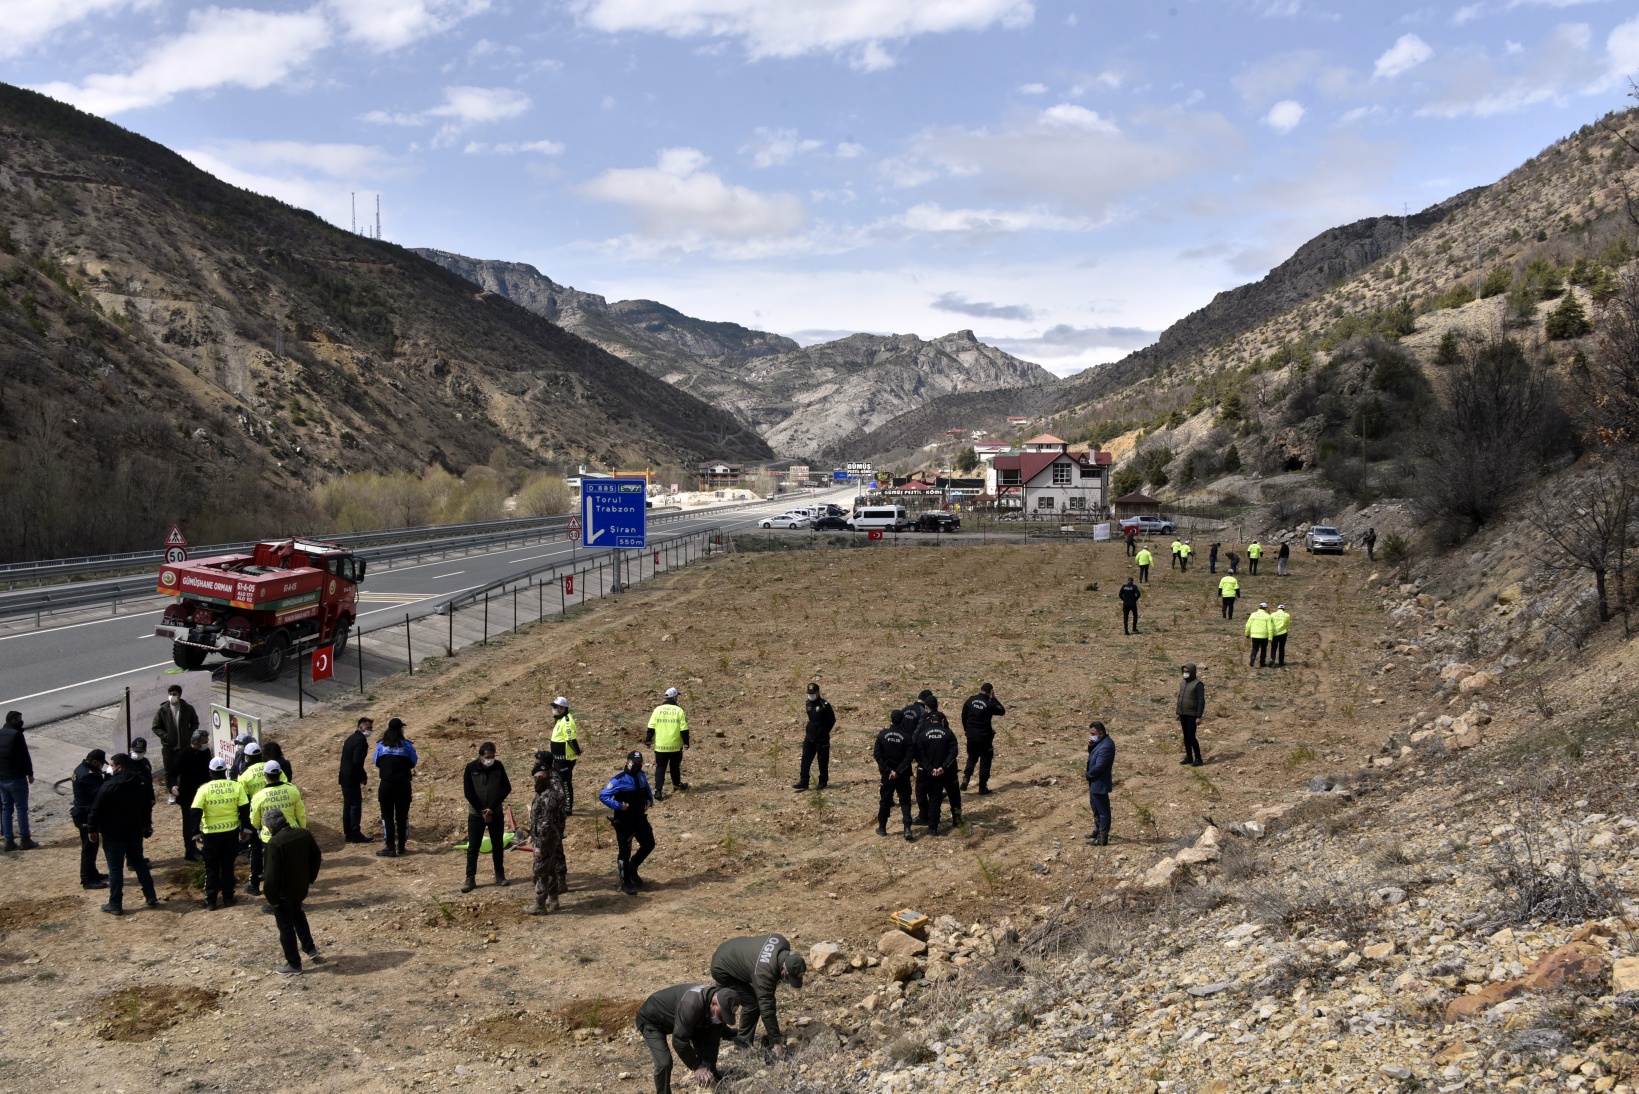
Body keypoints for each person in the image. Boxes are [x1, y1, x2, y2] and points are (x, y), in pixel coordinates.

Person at [86, 753, 159, 915]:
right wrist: (146, 825)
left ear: (119, 767)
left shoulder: (110, 786)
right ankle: (151, 895)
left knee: (115, 870)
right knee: (139, 863)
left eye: (111, 765)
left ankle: (115, 904)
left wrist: (92, 829)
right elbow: (147, 806)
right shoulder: (141, 782)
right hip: (134, 831)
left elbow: (96, 809)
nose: (109, 768)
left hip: (113, 834)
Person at [635, 983, 739, 1094]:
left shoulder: (715, 1003)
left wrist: (709, 1069)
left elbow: (711, 1040)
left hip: (678, 1019)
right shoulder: (691, 1005)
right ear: (713, 1004)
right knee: (664, 1062)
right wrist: (697, 1067)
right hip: (652, 1021)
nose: (722, 1020)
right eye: (722, 1015)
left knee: (707, 1036)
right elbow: (679, 1041)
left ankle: (712, 1077)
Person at [710, 934, 805, 1054]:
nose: (786, 981)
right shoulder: (764, 973)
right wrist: (775, 1041)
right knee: (753, 1003)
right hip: (723, 968)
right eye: (787, 977)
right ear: (783, 969)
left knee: (744, 1000)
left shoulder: (782, 942)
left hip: (730, 950)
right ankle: (742, 1041)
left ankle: (721, 1031)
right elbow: (766, 1007)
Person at [261, 806, 323, 976]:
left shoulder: (274, 844)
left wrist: (272, 899)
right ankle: (310, 948)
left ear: (271, 827)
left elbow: (271, 877)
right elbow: (316, 855)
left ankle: (294, 964)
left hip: (283, 893)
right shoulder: (304, 833)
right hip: (300, 887)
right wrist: (310, 878)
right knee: (298, 915)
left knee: (286, 927)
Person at [190, 757, 250, 910]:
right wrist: (246, 829)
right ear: (225, 771)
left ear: (210, 772)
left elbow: (195, 811)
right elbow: (244, 809)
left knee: (211, 868)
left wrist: (196, 832)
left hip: (211, 835)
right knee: (228, 866)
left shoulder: (204, 789)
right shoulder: (236, 786)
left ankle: (211, 901)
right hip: (231, 832)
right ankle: (228, 898)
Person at [599, 750, 655, 896]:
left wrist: (649, 801)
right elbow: (604, 796)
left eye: (640, 762)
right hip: (625, 821)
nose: (638, 765)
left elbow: (648, 793)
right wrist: (618, 805)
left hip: (640, 819)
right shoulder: (619, 779)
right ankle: (625, 881)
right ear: (628, 762)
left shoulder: (642, 776)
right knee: (625, 852)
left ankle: (632, 867)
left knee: (649, 844)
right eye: (635, 763)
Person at [461, 742, 512, 892]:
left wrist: (492, 807)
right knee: (473, 847)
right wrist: (482, 810)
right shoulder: (471, 768)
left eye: (493, 756)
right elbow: (468, 792)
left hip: (495, 812)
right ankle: (470, 878)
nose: (490, 759)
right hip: (476, 814)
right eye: (487, 757)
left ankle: (500, 875)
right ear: (480, 756)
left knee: (497, 845)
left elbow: (506, 787)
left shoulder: (498, 766)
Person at [914, 696, 961, 836]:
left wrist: (930, 769)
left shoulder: (922, 735)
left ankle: (933, 828)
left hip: (931, 774)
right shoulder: (949, 733)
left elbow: (920, 755)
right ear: (942, 721)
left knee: (934, 800)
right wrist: (944, 767)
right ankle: (957, 821)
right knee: (954, 797)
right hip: (948, 772)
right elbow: (954, 752)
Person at [526, 763, 568, 914]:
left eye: (541, 777)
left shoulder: (549, 796)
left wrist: (539, 845)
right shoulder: (542, 793)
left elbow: (546, 823)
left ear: (548, 777)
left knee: (540, 873)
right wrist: (532, 835)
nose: (538, 780)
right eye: (535, 777)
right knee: (550, 871)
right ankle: (554, 900)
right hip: (548, 839)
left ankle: (540, 905)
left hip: (546, 841)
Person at [374, 717, 418, 857]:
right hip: (403, 786)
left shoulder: (381, 745)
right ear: (401, 729)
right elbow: (413, 762)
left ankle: (390, 847)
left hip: (386, 785)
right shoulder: (407, 746)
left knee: (387, 817)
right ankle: (402, 846)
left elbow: (376, 761)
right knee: (402, 817)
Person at [151, 684, 198, 804]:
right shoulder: (163, 710)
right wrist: (166, 737)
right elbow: (156, 727)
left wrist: (189, 734)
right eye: (170, 694)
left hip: (184, 746)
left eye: (174, 694)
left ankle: (185, 792)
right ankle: (172, 792)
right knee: (170, 771)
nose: (172, 696)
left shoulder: (187, 708)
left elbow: (195, 722)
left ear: (179, 695)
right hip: (169, 747)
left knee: (185, 770)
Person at [872, 710, 915, 841]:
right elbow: (909, 757)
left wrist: (888, 770)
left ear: (891, 719)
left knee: (885, 800)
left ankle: (882, 828)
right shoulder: (907, 736)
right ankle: (907, 828)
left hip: (887, 775)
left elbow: (877, 754)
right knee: (905, 801)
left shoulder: (882, 735)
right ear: (902, 720)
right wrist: (898, 770)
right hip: (902, 774)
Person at [171, 729, 212, 862]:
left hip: (203, 793)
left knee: (200, 821)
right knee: (189, 824)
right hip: (188, 794)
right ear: (196, 742)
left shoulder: (205, 752)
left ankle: (198, 847)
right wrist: (172, 786)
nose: (206, 744)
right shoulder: (183, 754)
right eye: (204, 742)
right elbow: (172, 773)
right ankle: (190, 850)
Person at [70, 749, 109, 888]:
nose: (101, 767)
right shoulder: (87, 775)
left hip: (83, 813)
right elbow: (98, 794)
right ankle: (87, 879)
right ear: (94, 762)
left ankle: (93, 872)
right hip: (85, 815)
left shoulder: (82, 769)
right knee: (89, 846)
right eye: (100, 764)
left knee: (92, 845)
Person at [236, 741, 270, 892]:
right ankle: (273, 881)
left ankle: (254, 884)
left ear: (247, 758)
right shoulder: (270, 768)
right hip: (274, 815)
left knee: (255, 849)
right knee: (272, 849)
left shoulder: (244, 776)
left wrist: (244, 825)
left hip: (255, 815)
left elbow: (242, 802)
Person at [0, 711, 36, 852]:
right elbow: (24, 756)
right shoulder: (17, 735)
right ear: (14, 720)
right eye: (20, 719)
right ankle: (25, 839)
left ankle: (8, 841)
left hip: (2, 779)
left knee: (6, 809)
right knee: (21, 809)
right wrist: (30, 773)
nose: (21, 721)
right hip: (16, 778)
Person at [960, 683, 1005, 794]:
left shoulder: (970, 701)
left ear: (981, 690)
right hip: (984, 737)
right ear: (990, 692)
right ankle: (982, 787)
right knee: (985, 760)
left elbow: (963, 715)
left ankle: (966, 778)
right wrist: (994, 698)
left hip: (971, 735)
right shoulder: (989, 704)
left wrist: (967, 729)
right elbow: (1002, 711)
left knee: (972, 757)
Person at [647, 688, 690, 799]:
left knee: (660, 768)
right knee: (675, 767)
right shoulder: (679, 710)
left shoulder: (657, 710)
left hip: (661, 746)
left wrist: (648, 740)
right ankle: (677, 785)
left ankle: (658, 791)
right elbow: (684, 729)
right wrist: (686, 743)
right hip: (675, 746)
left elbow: (651, 726)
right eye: (677, 696)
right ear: (675, 697)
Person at [792, 683, 835, 792]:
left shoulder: (825, 705)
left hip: (822, 739)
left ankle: (823, 782)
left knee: (822, 762)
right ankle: (804, 781)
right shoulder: (808, 703)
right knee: (805, 759)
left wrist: (823, 731)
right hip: (809, 737)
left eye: (813, 693)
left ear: (818, 692)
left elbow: (832, 720)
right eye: (809, 693)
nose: (810, 695)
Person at [338, 717, 372, 843]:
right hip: (352, 778)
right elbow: (357, 762)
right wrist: (363, 776)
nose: (370, 731)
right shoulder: (360, 741)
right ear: (361, 727)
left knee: (348, 805)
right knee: (355, 805)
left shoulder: (351, 738)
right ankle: (355, 833)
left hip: (345, 776)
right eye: (368, 728)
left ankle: (349, 833)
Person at [549, 697, 583, 813]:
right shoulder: (560, 719)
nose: (554, 709)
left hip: (565, 758)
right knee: (558, 781)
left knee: (565, 782)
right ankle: (561, 804)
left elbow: (571, 740)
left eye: (556, 707)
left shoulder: (567, 721)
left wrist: (577, 751)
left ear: (563, 708)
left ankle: (568, 807)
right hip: (558, 758)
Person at [1084, 721, 1115, 845]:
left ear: (1101, 733)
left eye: (1093, 734)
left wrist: (1088, 775)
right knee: (1095, 808)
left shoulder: (1107, 745)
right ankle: (1097, 831)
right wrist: (1091, 746)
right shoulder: (1100, 742)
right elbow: (1093, 756)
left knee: (1103, 812)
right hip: (1095, 782)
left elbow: (1100, 766)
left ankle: (1102, 838)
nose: (1091, 736)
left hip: (1100, 782)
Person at [1176, 664, 1205, 768]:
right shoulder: (1183, 683)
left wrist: (1199, 716)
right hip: (1183, 713)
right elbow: (1180, 698)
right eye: (1184, 671)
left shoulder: (1198, 684)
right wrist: (1178, 712)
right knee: (1186, 737)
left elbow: (1201, 701)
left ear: (1192, 672)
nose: (1185, 673)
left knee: (1191, 736)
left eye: (1187, 672)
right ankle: (1189, 757)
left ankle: (1198, 758)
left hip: (1192, 715)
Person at [1245, 602, 1273, 667]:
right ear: (1265, 608)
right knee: (1263, 649)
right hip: (1264, 636)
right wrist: (1270, 637)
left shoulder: (1253, 614)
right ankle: (1262, 663)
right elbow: (1270, 628)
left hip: (1255, 635)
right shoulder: (1267, 616)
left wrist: (1247, 634)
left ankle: (1253, 657)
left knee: (1255, 648)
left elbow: (1248, 625)